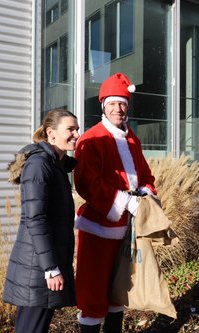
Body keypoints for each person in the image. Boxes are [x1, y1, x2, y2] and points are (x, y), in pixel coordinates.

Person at [74, 72, 157, 333]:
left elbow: (145, 174)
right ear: (104, 106)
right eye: (113, 103)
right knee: (93, 292)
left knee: (118, 289)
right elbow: (87, 182)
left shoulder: (132, 138)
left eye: (122, 103)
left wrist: (145, 192)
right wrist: (123, 202)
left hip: (126, 227)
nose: (118, 109)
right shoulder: (91, 138)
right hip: (98, 226)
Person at [3, 108, 80, 333]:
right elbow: (34, 219)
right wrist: (51, 269)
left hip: (41, 264)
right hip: (36, 268)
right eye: (70, 129)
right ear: (51, 133)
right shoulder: (39, 165)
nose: (76, 134)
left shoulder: (55, 165)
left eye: (77, 129)